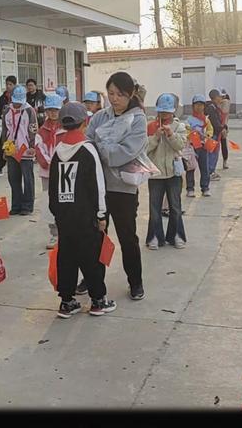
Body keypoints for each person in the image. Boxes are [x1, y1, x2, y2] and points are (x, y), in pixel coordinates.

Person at [83, 71, 148, 301]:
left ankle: (135, 281)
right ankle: (92, 278)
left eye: (120, 94)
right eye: (111, 93)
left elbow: (127, 152)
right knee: (96, 235)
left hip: (123, 189)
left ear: (130, 95)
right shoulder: (100, 116)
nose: (114, 98)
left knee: (127, 237)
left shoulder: (138, 119)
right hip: (98, 187)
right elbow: (87, 142)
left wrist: (102, 150)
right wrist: (100, 149)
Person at [49, 101, 116, 318]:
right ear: (84, 122)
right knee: (92, 258)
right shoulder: (88, 149)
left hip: (64, 218)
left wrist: (57, 213)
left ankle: (67, 301)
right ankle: (98, 300)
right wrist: (101, 214)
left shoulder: (57, 152)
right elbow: (98, 185)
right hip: (86, 216)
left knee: (66, 259)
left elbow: (52, 188)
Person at [146, 93, 187, 250]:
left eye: (167, 111)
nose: (164, 114)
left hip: (173, 172)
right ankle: (155, 237)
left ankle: (176, 235)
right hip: (156, 173)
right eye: (161, 111)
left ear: (173, 111)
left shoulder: (180, 127)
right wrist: (156, 137)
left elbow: (180, 146)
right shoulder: (151, 126)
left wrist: (171, 134)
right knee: (154, 207)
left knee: (175, 206)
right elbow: (145, 148)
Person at [35, 93, 66, 250]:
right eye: (50, 110)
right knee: (49, 203)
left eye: (56, 110)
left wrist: (60, 165)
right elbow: (39, 151)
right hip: (47, 174)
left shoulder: (65, 129)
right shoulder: (42, 131)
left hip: (64, 172)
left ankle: (66, 232)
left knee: (65, 201)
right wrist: (50, 165)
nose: (53, 113)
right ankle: (54, 234)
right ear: (46, 111)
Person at [3, 85, 38, 216]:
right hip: (11, 150)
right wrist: (4, 150)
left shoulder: (29, 111)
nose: (17, 104)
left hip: (25, 151)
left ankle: (27, 206)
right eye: (15, 101)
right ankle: (16, 205)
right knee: (13, 179)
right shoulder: (6, 111)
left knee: (28, 179)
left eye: (20, 101)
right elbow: (5, 131)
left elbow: (33, 130)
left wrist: (33, 147)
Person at [185, 94, 214, 197]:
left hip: (203, 147)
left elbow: (210, 130)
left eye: (201, 105)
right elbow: (186, 132)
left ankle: (205, 188)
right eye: (197, 104)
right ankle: (190, 188)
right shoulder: (189, 120)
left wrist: (207, 135)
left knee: (204, 168)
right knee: (191, 168)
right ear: (193, 106)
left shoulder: (206, 120)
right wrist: (192, 135)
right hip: (192, 147)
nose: (199, 107)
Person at [0, 75, 17, 177]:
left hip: (17, 127)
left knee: (17, 147)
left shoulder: (18, 97)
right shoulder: (3, 98)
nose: (8, 86)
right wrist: (2, 115)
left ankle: (16, 166)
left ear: (14, 85)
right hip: (7, 127)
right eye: (7, 84)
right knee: (3, 146)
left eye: (10, 84)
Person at [206, 89, 226, 181]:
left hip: (216, 134)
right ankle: (210, 172)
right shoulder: (211, 108)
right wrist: (221, 129)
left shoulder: (215, 107)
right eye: (219, 96)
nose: (220, 98)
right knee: (212, 154)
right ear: (215, 97)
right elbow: (214, 122)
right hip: (213, 135)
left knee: (214, 154)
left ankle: (211, 171)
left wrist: (224, 127)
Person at [219, 88, 231, 170]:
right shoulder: (215, 105)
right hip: (216, 127)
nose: (223, 99)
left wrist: (225, 127)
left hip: (223, 126)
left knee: (223, 145)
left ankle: (225, 161)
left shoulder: (225, 103)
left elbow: (226, 115)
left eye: (224, 97)